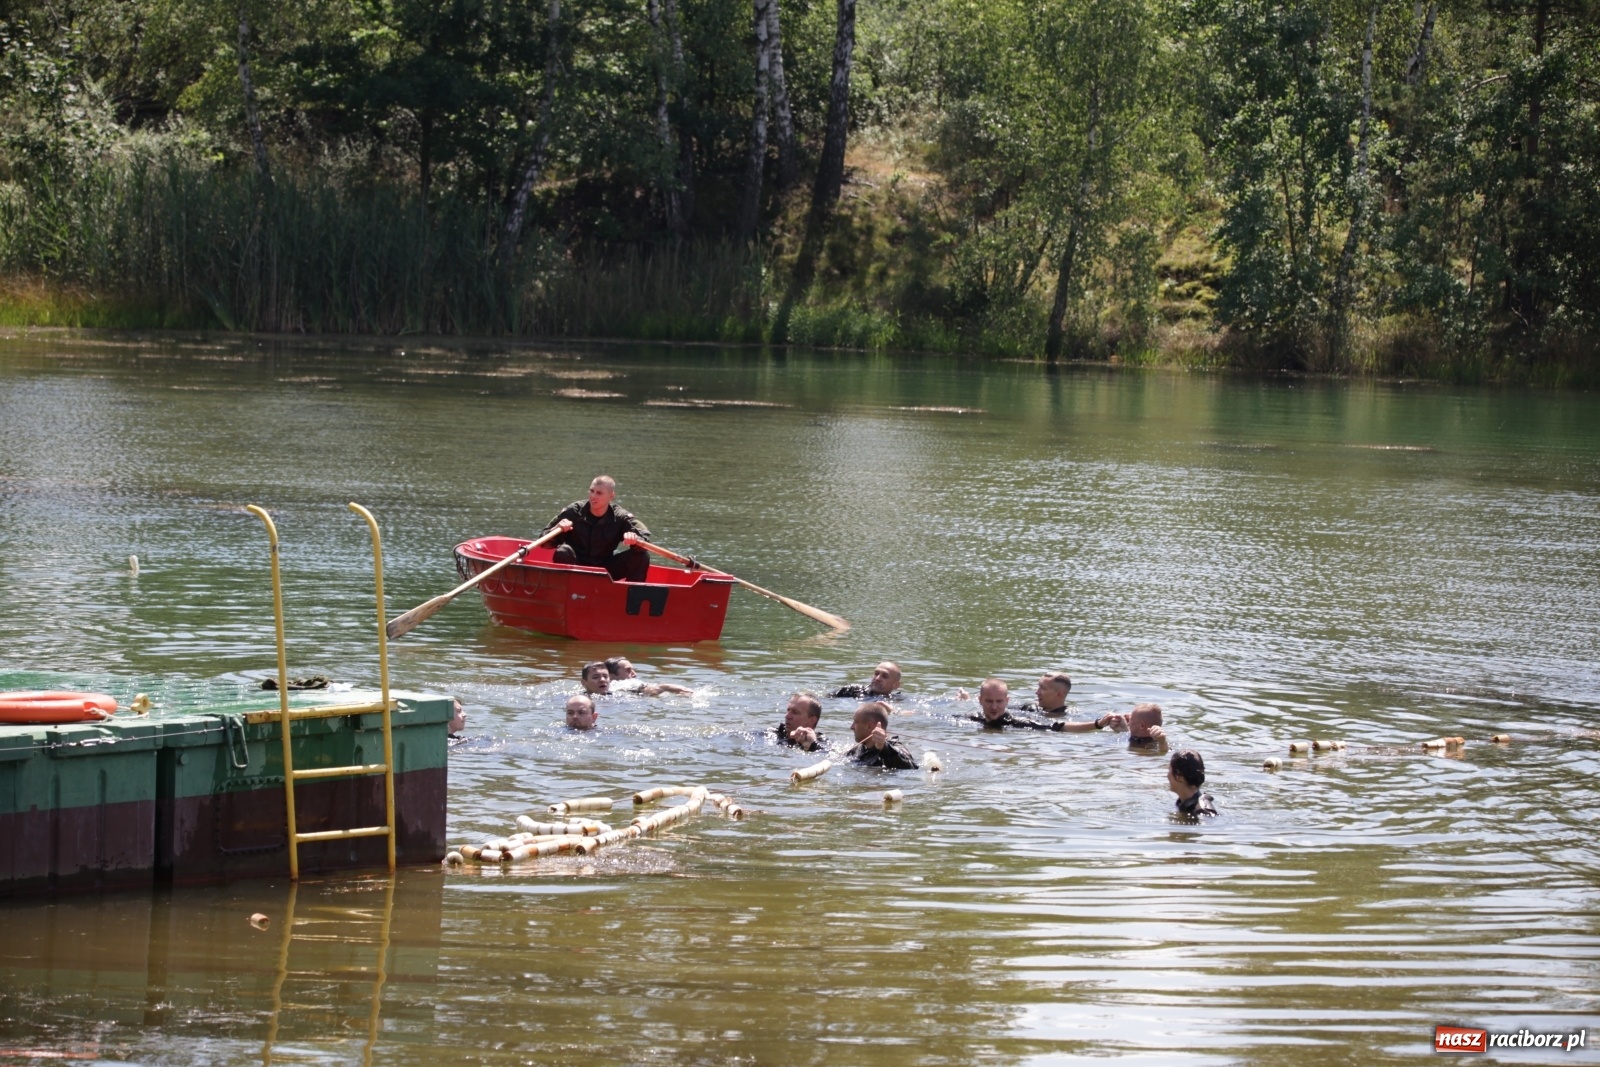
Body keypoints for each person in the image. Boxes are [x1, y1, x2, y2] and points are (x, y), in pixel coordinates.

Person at [542, 475, 651, 582]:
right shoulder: (574, 511)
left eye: (599, 493)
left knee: (641, 556)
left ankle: (631, 596)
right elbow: (543, 541)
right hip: (575, 567)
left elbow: (644, 538)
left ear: (611, 496)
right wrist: (557, 528)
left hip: (605, 570)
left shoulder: (620, 517)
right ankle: (564, 593)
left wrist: (635, 540)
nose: (593, 496)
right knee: (563, 551)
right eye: (591, 491)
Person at [968, 676, 1126, 733]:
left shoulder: (1019, 722)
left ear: (1006, 702)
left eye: (1042, 688)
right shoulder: (1029, 708)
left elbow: (1059, 726)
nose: (1036, 692)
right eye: (989, 701)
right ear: (980, 701)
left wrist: (1098, 724)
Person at [844, 702, 918, 769]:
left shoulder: (895, 747)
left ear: (869, 726)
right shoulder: (857, 750)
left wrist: (884, 748)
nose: (851, 727)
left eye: (855, 722)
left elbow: (911, 767)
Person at [604, 655, 692, 696]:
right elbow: (660, 688)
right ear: (611, 676)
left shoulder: (601, 689)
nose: (634, 674)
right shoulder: (627, 685)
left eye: (633, 669)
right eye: (628, 670)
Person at [1169, 749, 1217, 817]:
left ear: (1178, 776)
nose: (1167, 776)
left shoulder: (1203, 811)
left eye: (1169, 770)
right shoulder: (1184, 802)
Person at [832, 661, 903, 701]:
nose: (877, 678)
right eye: (876, 674)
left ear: (895, 685)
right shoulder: (852, 690)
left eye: (884, 676)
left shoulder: (898, 700)